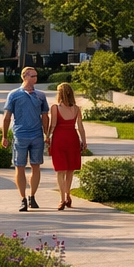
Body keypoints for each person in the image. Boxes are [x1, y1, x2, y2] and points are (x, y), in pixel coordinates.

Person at [0, 67, 50, 212]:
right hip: (20, 135)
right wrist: (4, 136)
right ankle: (22, 198)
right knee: (19, 166)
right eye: (33, 76)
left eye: (36, 76)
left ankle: (32, 196)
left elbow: (45, 116)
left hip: (37, 136)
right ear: (25, 76)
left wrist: (47, 134)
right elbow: (7, 117)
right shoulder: (14, 95)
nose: (36, 79)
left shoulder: (40, 95)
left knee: (36, 165)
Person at [46, 82, 86, 210]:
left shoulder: (55, 108)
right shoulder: (76, 109)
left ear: (60, 94)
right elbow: (80, 126)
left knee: (60, 170)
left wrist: (47, 136)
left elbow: (53, 125)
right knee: (70, 169)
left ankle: (62, 199)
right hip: (72, 138)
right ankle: (68, 195)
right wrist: (84, 141)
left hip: (59, 139)